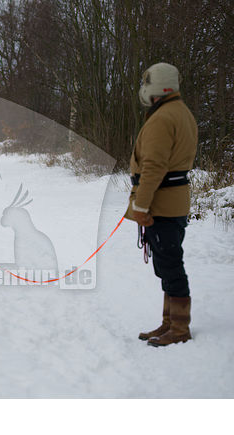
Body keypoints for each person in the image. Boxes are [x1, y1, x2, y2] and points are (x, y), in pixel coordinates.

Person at [125, 62, 198, 347]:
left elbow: (154, 167)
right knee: (166, 264)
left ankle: (179, 328)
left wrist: (141, 207)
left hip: (162, 205)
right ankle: (169, 323)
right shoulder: (181, 113)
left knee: (170, 266)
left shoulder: (163, 118)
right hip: (173, 203)